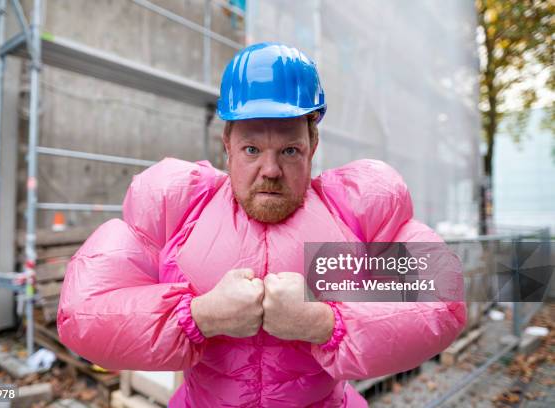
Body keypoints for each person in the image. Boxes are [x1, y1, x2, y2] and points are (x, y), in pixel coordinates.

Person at [57, 42, 466, 407]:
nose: (270, 170)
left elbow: (442, 296)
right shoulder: (177, 206)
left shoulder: (356, 210)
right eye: (252, 149)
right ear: (227, 144)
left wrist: (324, 323)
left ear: (313, 146)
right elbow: (82, 313)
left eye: (289, 150)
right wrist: (199, 316)